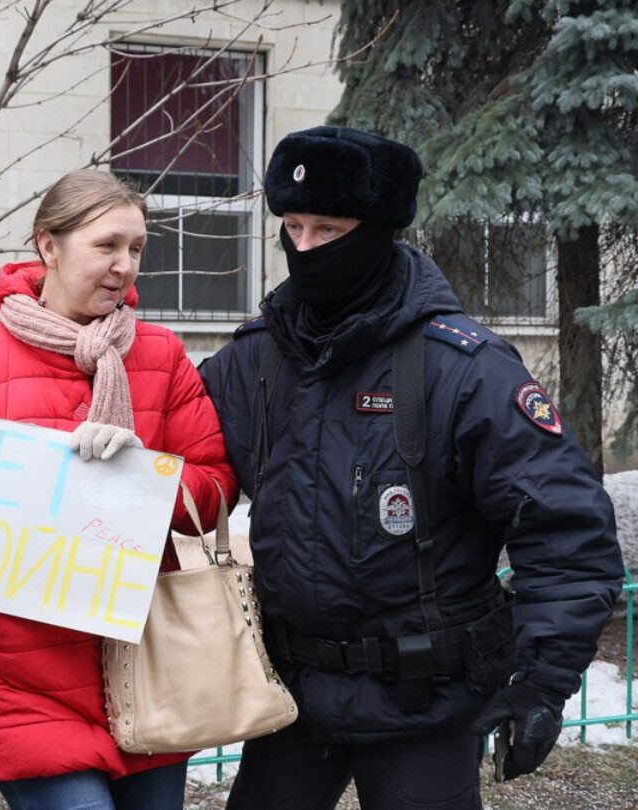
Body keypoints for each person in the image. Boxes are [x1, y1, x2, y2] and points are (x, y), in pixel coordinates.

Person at [198, 126, 624, 810]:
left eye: (328, 229)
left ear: (378, 231)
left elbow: (566, 534)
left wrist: (541, 682)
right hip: (293, 696)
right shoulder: (256, 359)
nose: (303, 249)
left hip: (425, 704)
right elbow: (176, 458)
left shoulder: (463, 370)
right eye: (292, 226)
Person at [0, 169, 238, 810]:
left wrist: (148, 474)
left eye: (137, 248)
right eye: (106, 246)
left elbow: (217, 487)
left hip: (147, 666)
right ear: (48, 245)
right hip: (25, 682)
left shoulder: (161, 355)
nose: (124, 266)